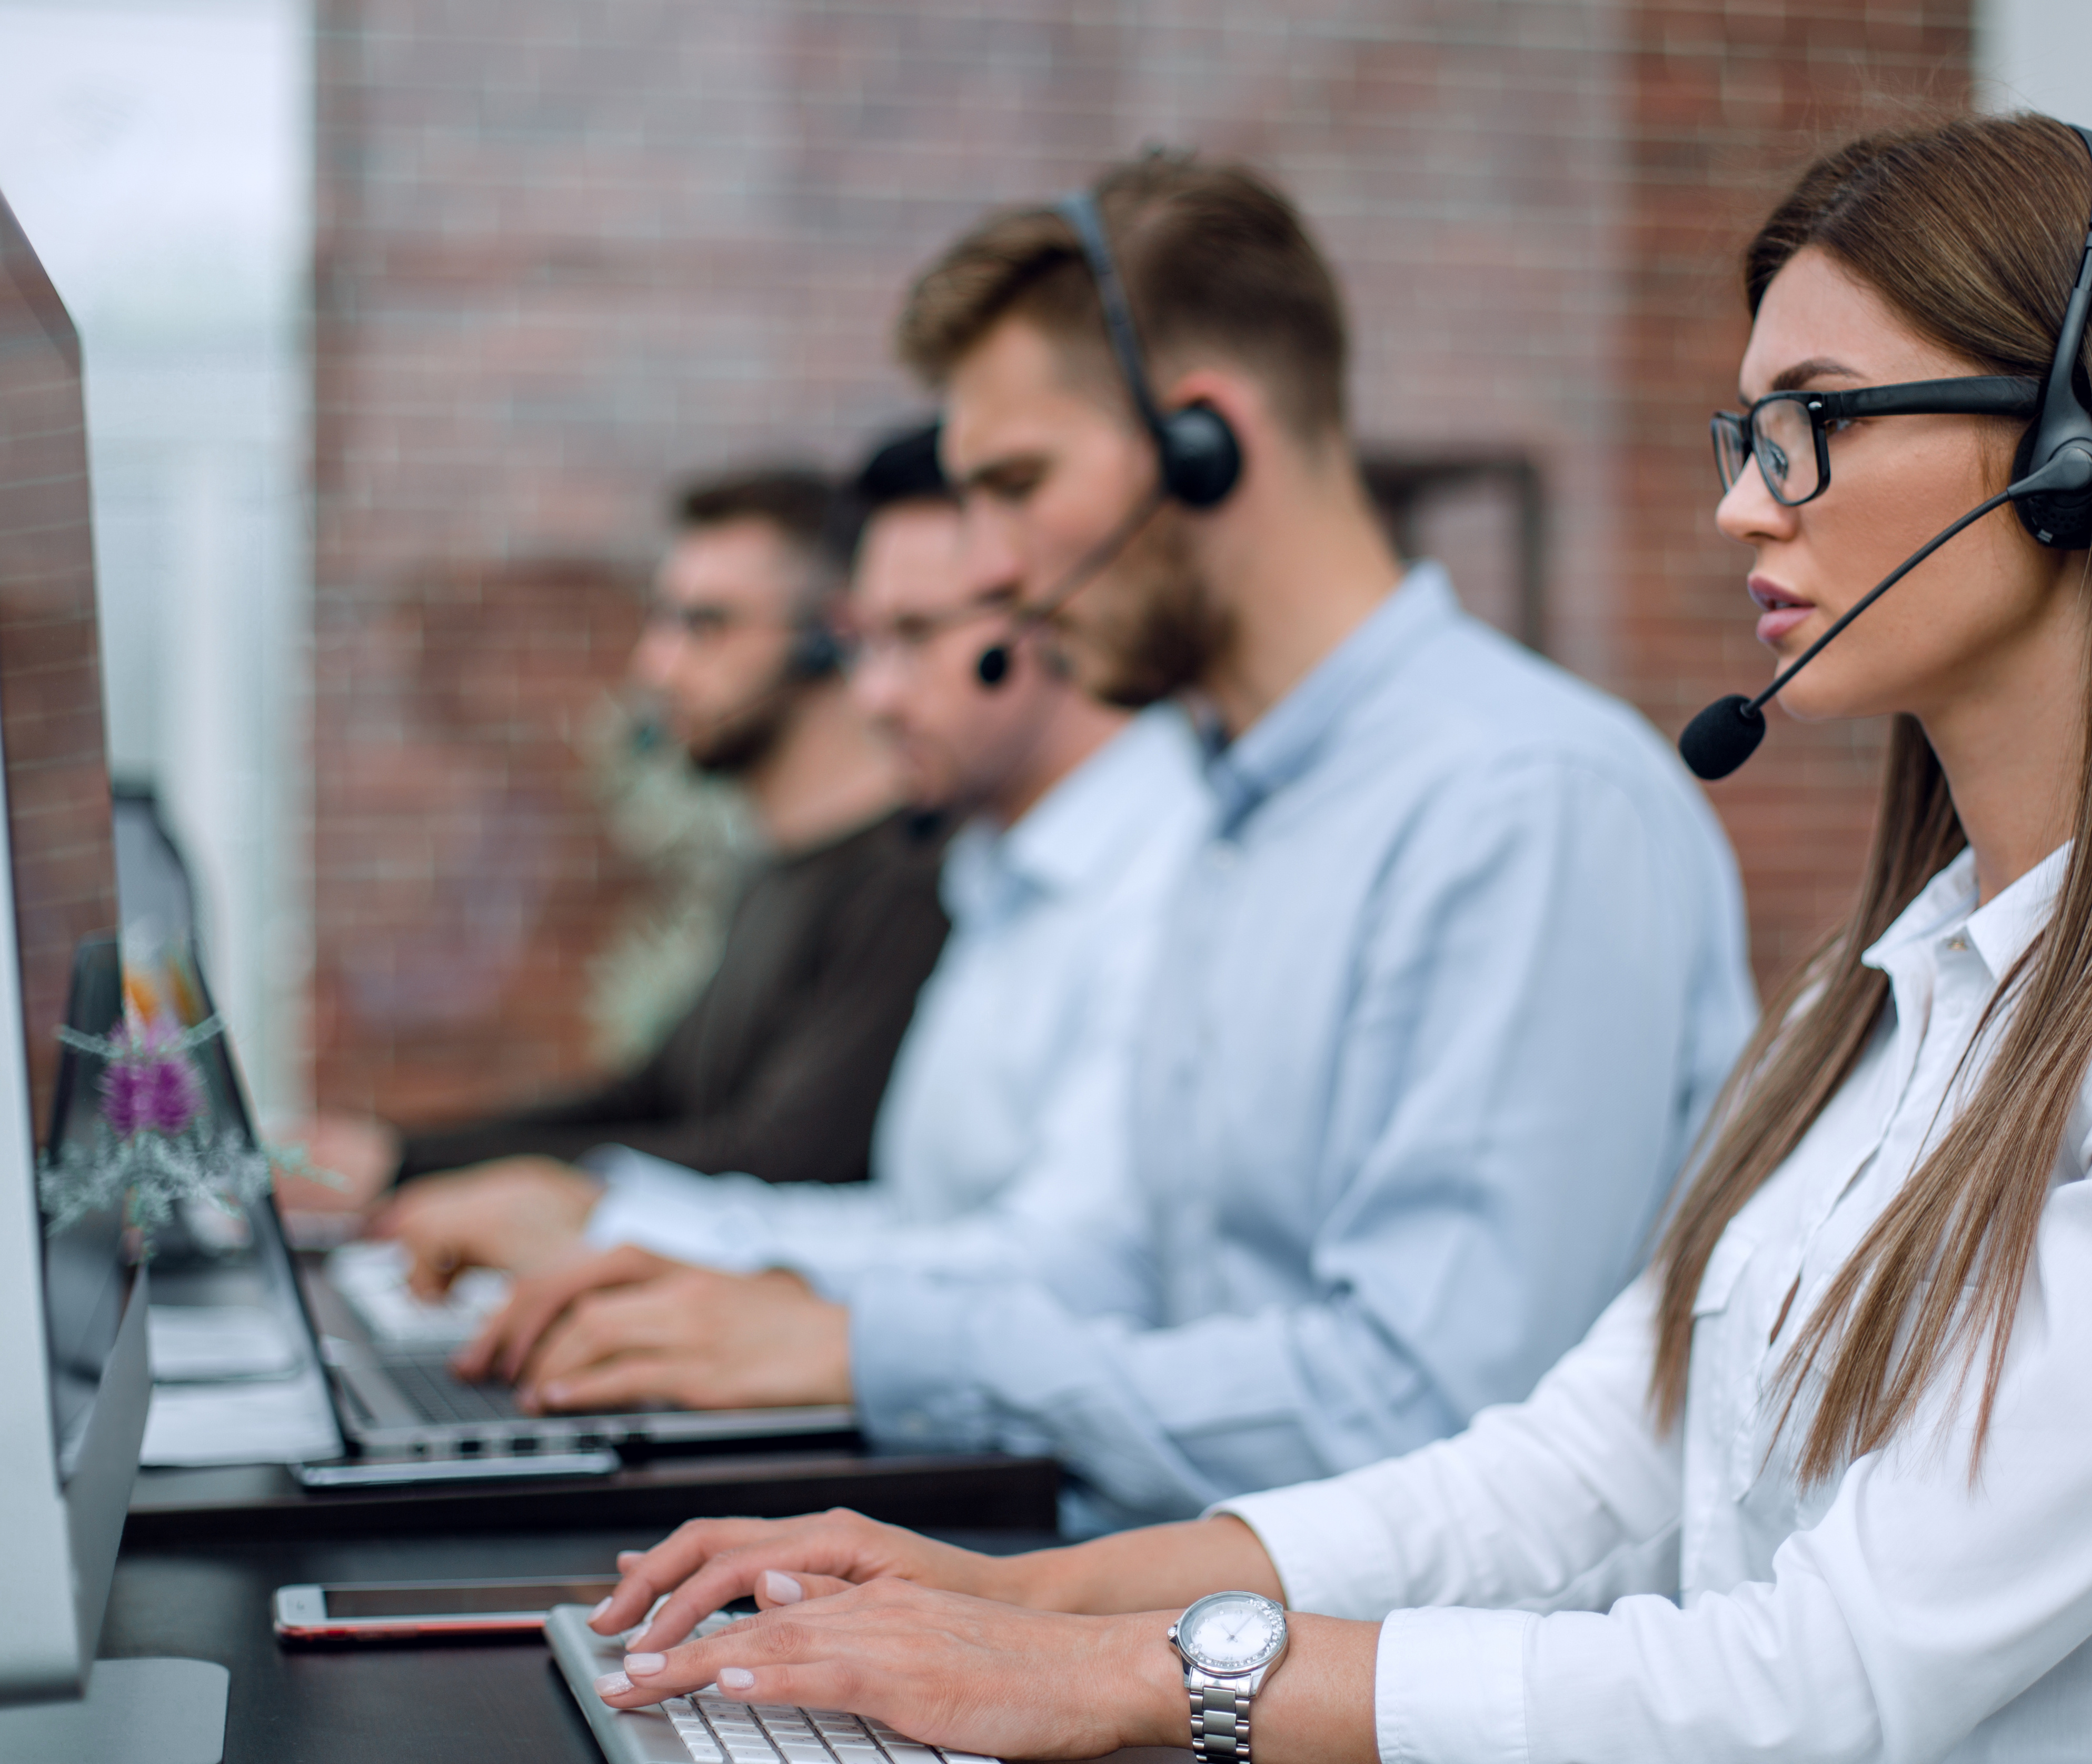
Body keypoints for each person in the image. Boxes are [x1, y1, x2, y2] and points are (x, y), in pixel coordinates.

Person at [574, 116, 2092, 1763]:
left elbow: (1829, 1674)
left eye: (1814, 427)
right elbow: (1577, 1474)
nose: (1741, 503)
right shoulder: (1892, 987)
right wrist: (1016, 1602)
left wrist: (1128, 1683)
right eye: (1742, 430)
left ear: (2078, 452)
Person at [429, 151, 1759, 1527]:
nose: (990, 569)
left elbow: (1425, 1411)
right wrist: (718, 1280)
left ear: (1205, 442)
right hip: (1169, 1618)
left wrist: (867, 1353)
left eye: (1016, 483)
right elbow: (1102, 1268)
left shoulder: (1522, 804)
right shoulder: (1238, 809)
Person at [383, 421, 1211, 1402]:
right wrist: (618, 1223)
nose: (868, 696)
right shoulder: (991, 876)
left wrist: (627, 1236)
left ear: (1054, 615)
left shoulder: (1170, 874)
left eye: (911, 639)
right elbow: (914, 1224)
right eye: (862, 643)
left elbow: (1075, 1277)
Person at [290, 459, 952, 1239]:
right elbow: (653, 1098)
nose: (656, 667)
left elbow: (779, 1159)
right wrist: (394, 1158)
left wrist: (456, 1184)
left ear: (833, 643)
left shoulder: (913, 885)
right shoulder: (777, 872)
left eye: (705, 625)